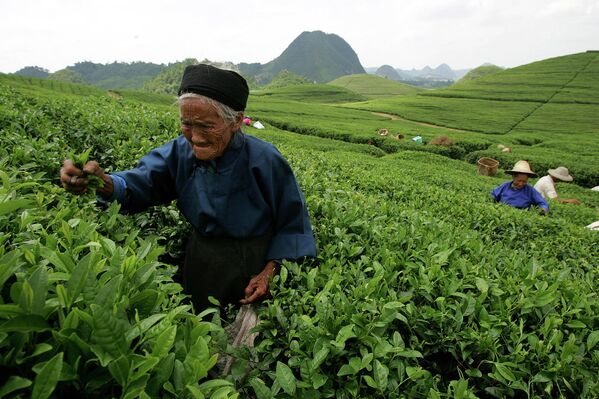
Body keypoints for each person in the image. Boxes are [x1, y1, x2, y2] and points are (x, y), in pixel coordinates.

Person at [60, 64, 317, 310]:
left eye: (206, 126)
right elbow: (140, 182)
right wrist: (102, 183)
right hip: (202, 260)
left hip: (255, 260)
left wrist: (270, 272)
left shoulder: (265, 159)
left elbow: (293, 222)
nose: (194, 136)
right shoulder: (179, 153)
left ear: (236, 121)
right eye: (187, 124)